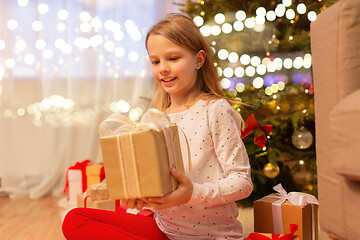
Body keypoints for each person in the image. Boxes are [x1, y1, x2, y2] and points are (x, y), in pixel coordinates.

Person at [62, 13, 253, 240]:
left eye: (173, 58)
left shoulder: (215, 110)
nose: (163, 68)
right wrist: (139, 197)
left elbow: (242, 183)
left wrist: (192, 192)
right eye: (156, 61)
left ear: (199, 60)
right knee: (75, 219)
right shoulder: (154, 118)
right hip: (165, 231)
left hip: (211, 236)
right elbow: (152, 182)